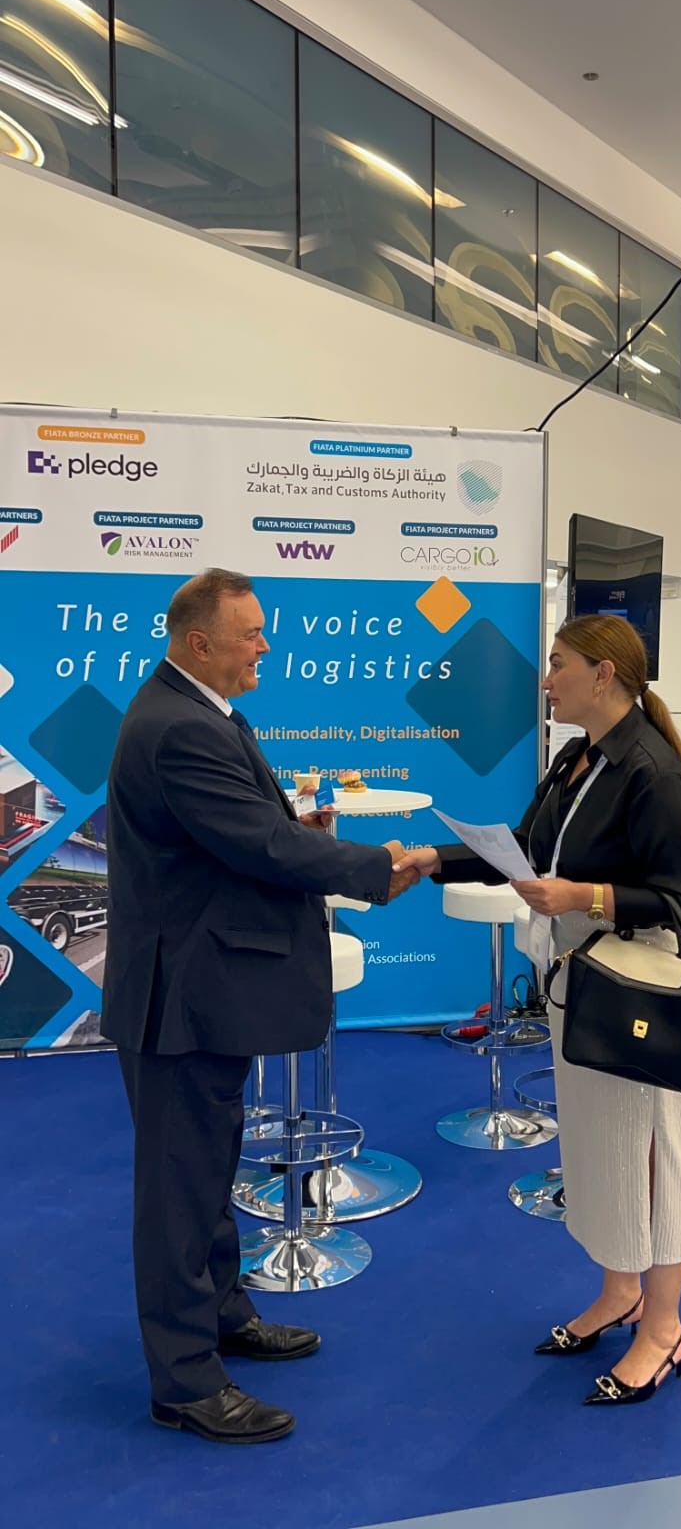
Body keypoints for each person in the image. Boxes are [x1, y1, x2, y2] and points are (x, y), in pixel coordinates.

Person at [102, 568, 419, 1445]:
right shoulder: (179, 727)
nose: (266, 646)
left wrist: (300, 837)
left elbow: (246, 832)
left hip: (202, 988)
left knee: (207, 1169)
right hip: (180, 998)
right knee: (179, 1191)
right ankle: (185, 1382)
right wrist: (373, 865)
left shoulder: (201, 712)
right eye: (251, 634)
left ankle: (222, 1315)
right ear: (199, 642)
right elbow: (259, 845)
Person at [405, 615, 681, 1407]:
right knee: (601, 1150)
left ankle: (664, 1328)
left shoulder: (654, 773)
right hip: (582, 983)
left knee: (652, 1156)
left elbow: (680, 903)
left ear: (604, 674)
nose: (546, 681)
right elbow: (528, 847)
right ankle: (619, 1292)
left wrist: (585, 896)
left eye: (558, 664)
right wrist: (436, 857)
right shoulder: (577, 760)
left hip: (641, 997)